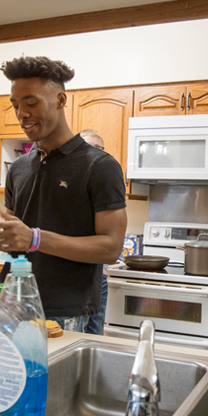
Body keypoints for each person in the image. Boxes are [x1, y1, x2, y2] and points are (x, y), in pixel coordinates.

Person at [0, 56, 127, 333]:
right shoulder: (19, 167)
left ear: (60, 100)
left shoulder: (100, 166)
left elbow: (111, 247)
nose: (22, 113)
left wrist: (34, 238)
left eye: (31, 103)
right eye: (16, 105)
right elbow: (12, 237)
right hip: (11, 304)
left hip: (64, 313)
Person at [80, 129, 108, 335]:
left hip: (98, 274)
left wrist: (103, 267)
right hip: (73, 277)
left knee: (94, 335)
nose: (94, 153)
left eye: (99, 149)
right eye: (89, 147)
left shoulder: (105, 182)